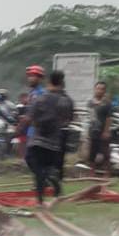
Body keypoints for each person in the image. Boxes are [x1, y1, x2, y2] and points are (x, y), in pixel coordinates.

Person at [27, 70, 74, 205]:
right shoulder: (67, 100)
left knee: (36, 166)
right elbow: (68, 119)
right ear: (62, 82)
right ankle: (51, 175)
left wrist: (18, 131)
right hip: (55, 140)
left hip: (38, 139)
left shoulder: (41, 98)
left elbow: (30, 118)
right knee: (47, 165)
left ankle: (40, 199)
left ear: (48, 82)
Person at [18, 65, 46, 156]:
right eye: (29, 76)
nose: (30, 79)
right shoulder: (32, 93)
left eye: (33, 76)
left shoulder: (42, 93)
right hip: (31, 129)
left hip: (38, 130)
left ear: (40, 78)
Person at [87, 81, 113, 175]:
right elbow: (89, 118)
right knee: (92, 152)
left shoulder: (107, 103)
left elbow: (109, 118)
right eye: (98, 88)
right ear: (95, 89)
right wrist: (87, 132)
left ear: (104, 91)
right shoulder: (90, 102)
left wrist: (106, 131)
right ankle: (91, 172)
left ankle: (107, 173)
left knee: (105, 152)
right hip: (93, 131)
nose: (99, 91)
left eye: (102, 89)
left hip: (103, 131)